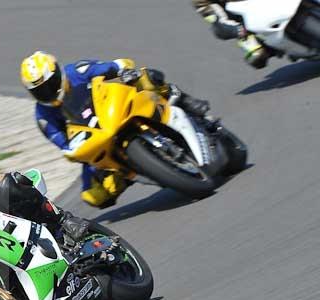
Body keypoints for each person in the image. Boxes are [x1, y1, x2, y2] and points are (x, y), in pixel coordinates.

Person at [20, 51, 211, 209]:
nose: (47, 93)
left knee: (147, 77)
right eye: (40, 91)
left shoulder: (78, 71)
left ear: (59, 73)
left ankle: (184, 100)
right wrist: (75, 153)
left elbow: (116, 65)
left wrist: (123, 71)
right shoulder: (43, 116)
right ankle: (129, 173)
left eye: (49, 85)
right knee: (93, 196)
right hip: (94, 137)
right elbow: (63, 143)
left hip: (112, 109)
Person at [192, 1, 270, 69]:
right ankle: (254, 46)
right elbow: (205, 9)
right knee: (222, 28)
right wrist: (236, 30)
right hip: (236, 14)